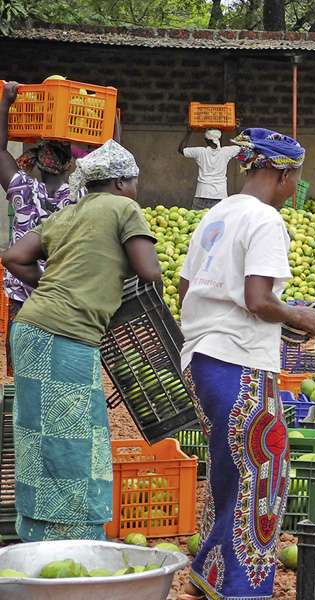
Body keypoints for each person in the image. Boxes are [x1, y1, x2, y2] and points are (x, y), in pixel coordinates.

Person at [177, 127, 315, 600]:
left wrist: (268, 316)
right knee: (264, 472)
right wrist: (295, 314)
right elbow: (258, 297)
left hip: (201, 358)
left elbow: (188, 291)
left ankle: (209, 569)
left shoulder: (215, 214)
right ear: (282, 174)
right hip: (237, 361)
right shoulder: (265, 220)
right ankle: (244, 588)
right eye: (295, 177)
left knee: (230, 468)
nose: (294, 188)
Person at [1, 140, 161, 542]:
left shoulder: (69, 212)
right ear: (123, 180)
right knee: (76, 438)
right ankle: (75, 540)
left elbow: (14, 256)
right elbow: (149, 271)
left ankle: (37, 535)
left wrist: (53, 289)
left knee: (38, 436)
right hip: (64, 336)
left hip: (31, 330)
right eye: (136, 180)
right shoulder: (124, 208)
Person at [0, 81, 86, 375]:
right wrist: (113, 123)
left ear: (36, 162)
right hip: (61, 295)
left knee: (21, 375)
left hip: (22, 293)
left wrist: (7, 102)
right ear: (68, 166)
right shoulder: (79, 197)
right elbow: (110, 166)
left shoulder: (21, 187)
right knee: (56, 372)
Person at [179, 126, 240, 210]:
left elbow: (181, 150)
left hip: (202, 193)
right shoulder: (226, 152)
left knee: (198, 220)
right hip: (220, 195)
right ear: (219, 139)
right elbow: (243, 147)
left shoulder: (200, 152)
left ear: (206, 140)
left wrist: (189, 132)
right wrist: (236, 129)